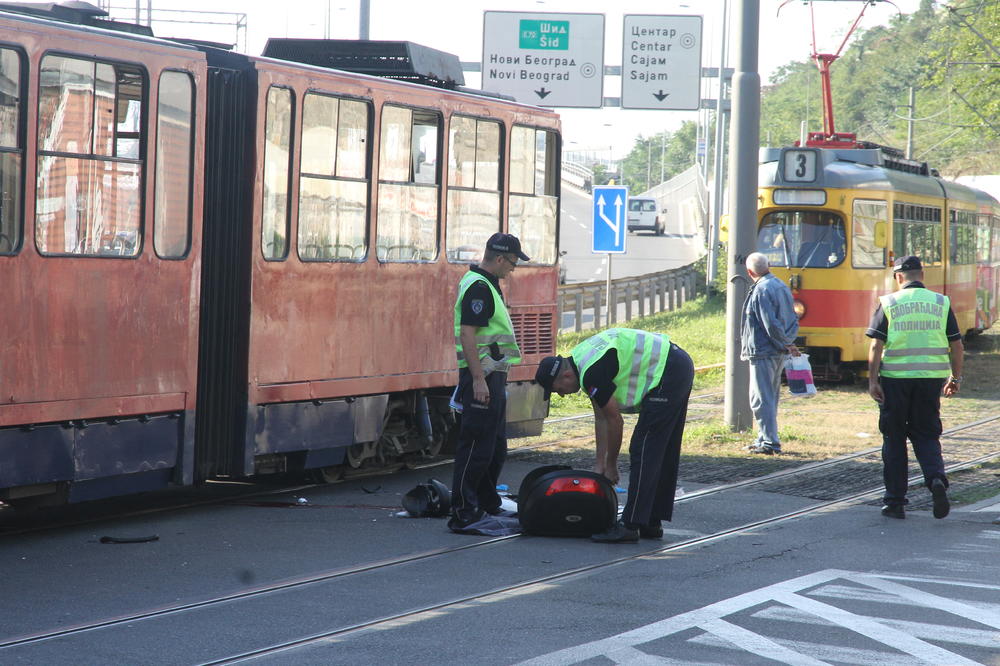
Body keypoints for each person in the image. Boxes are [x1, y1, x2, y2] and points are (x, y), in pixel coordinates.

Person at [534, 328, 694, 543]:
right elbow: (600, 418)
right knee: (659, 449)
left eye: (557, 389)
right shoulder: (582, 362)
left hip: (669, 371)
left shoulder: (591, 373)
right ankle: (650, 521)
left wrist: (611, 464)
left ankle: (630, 524)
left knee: (644, 447)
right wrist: (599, 465)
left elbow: (614, 420)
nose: (561, 394)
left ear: (566, 375)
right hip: (675, 364)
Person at [866, 255, 963, 520]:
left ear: (898, 277)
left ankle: (895, 503)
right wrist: (955, 379)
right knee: (926, 433)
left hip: (895, 381)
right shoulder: (940, 302)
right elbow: (956, 345)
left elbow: (876, 345)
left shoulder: (889, 302)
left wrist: (873, 380)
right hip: (931, 380)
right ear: (921, 275)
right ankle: (936, 480)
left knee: (894, 438)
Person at [448, 233, 530, 532]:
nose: (513, 268)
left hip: (493, 374)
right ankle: (464, 511)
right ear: (498, 258)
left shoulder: (489, 286)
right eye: (512, 261)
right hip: (481, 376)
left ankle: (486, 503)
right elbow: (468, 333)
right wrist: (479, 380)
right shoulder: (479, 288)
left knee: (494, 446)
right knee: (476, 446)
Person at [740, 252, 800, 455]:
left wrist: (783, 343)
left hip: (764, 351)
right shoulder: (781, 285)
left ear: (749, 272)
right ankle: (763, 438)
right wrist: (789, 343)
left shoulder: (762, 290)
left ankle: (769, 442)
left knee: (760, 398)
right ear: (769, 265)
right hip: (777, 351)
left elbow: (770, 324)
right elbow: (792, 318)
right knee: (770, 397)